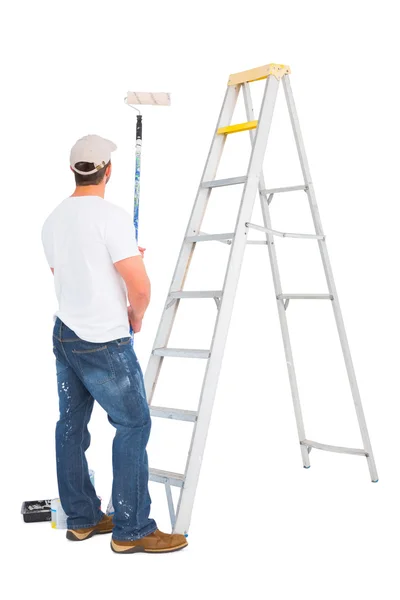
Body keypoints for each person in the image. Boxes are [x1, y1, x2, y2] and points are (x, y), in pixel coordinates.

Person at [41, 134, 187, 555]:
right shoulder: (113, 217)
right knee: (134, 424)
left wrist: (120, 256)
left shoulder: (52, 220)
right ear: (108, 171)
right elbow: (139, 288)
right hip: (104, 340)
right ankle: (132, 528)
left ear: (72, 170)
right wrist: (135, 315)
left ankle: (84, 518)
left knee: (70, 426)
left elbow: (67, 273)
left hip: (66, 335)